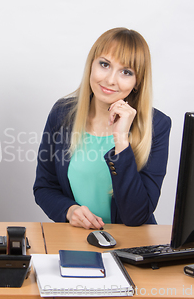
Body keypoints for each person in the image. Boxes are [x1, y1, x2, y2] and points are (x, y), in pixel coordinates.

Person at [33, 27, 171, 229]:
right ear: (91, 65)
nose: (110, 80)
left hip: (132, 244)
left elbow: (137, 216)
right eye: (104, 64)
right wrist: (69, 210)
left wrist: (121, 141)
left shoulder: (156, 125)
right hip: (79, 238)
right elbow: (45, 186)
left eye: (126, 72)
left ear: (137, 82)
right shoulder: (62, 113)